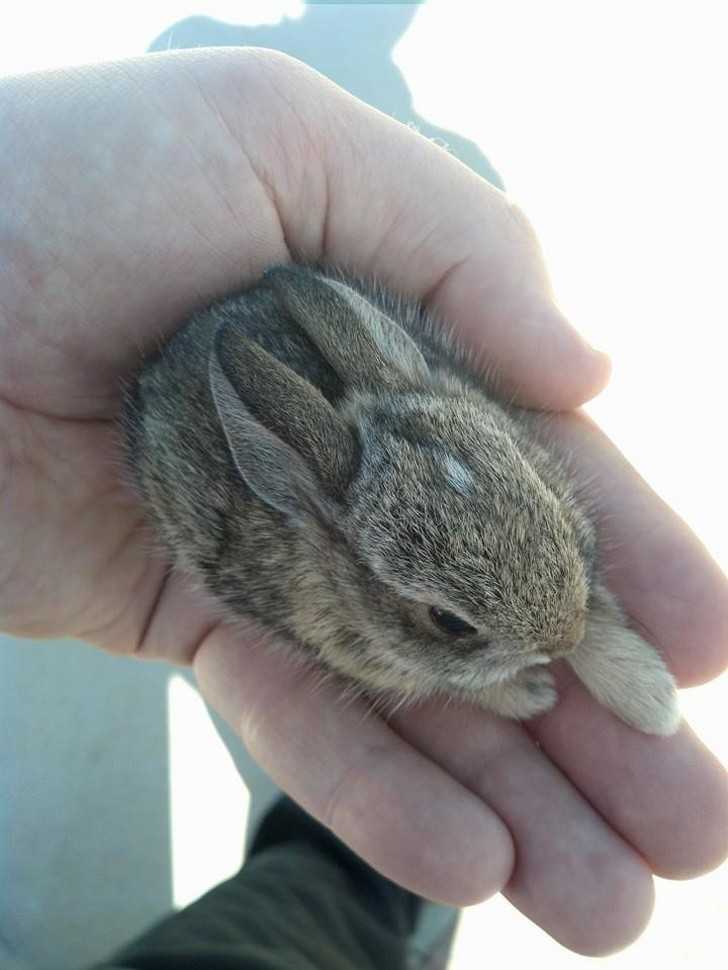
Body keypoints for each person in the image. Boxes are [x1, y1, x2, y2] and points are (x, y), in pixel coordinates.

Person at [1, 47, 726, 966]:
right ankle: (345, 885)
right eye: (447, 621)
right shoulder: (330, 583)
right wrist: (489, 680)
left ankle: (340, 882)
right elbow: (367, 644)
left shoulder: (441, 404)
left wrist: (575, 618)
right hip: (240, 437)